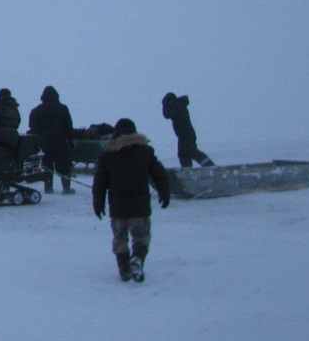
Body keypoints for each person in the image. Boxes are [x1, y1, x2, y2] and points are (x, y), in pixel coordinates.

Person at [92, 118, 171, 283]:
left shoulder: (107, 155)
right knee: (141, 235)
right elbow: (160, 175)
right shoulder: (145, 151)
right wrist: (164, 192)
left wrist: (98, 203)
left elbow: (99, 183)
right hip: (139, 203)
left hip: (118, 206)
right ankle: (138, 259)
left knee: (120, 237)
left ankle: (124, 269)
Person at [28, 85, 75, 194]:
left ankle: (48, 188)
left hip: (45, 143)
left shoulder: (36, 111)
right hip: (60, 142)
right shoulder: (63, 109)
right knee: (64, 166)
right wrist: (72, 139)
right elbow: (68, 126)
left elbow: (33, 128)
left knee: (47, 165)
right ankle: (66, 188)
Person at [161, 92, 215, 168]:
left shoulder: (177, 105)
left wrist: (164, 104)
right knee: (185, 153)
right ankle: (188, 169)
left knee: (189, 152)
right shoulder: (179, 104)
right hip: (185, 134)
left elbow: (166, 114)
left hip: (186, 134)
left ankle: (208, 166)